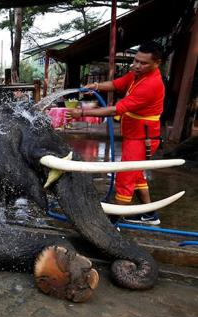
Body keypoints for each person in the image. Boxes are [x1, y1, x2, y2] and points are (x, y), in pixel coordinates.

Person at [66, 41, 165, 225]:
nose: (136, 65)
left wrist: (83, 113)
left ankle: (112, 224)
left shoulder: (151, 84)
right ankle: (150, 215)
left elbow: (115, 110)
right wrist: (96, 86)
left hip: (143, 139)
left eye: (143, 63)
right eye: (136, 61)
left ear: (156, 63)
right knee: (136, 175)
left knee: (124, 178)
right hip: (134, 135)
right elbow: (116, 83)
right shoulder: (137, 74)